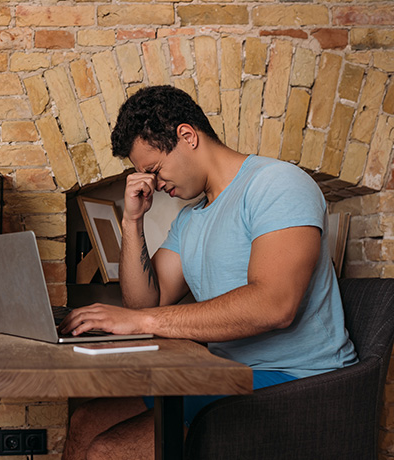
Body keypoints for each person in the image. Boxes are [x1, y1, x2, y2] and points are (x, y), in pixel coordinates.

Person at [59, 85, 358, 460]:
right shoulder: (192, 217)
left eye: (154, 170)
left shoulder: (276, 184)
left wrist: (140, 321)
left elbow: (274, 305)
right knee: (86, 420)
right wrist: (132, 223)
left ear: (187, 136)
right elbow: (144, 303)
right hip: (220, 375)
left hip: (298, 384)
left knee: (107, 451)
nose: (156, 184)